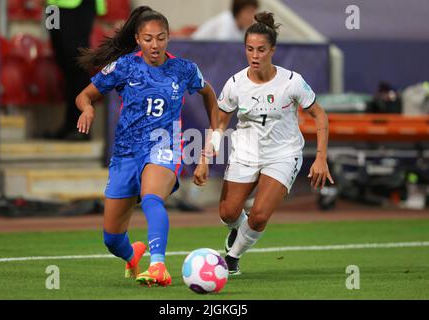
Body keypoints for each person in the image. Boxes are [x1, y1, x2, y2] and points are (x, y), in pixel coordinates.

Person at [75, 6, 220, 287]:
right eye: (148, 38)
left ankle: (158, 266)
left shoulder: (184, 69)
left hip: (163, 146)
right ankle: (132, 256)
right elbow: (85, 95)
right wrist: (87, 108)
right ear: (139, 40)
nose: (155, 45)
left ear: (168, 38)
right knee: (112, 239)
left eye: (161, 38)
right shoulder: (124, 66)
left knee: (152, 197)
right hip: (126, 153)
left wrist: (212, 140)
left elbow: (209, 93)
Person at [194, 12, 334, 275]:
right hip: (245, 151)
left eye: (261, 50)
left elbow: (319, 115)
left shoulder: (291, 82)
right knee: (228, 213)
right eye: (249, 49)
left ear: (272, 50)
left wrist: (321, 157)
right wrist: (205, 159)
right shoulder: (236, 84)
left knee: (259, 215)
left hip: (283, 153)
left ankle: (232, 259)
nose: (254, 55)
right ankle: (239, 231)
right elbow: (220, 123)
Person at [45, 0, 105, 140]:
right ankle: (69, 124)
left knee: (77, 62)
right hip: (52, 7)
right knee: (63, 62)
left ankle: (82, 125)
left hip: (77, 5)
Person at [191, 0, 258, 41]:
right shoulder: (225, 21)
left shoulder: (243, 27)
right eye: (249, 12)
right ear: (238, 12)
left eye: (254, 12)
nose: (252, 17)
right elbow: (223, 50)